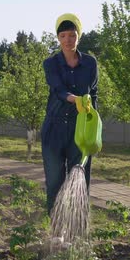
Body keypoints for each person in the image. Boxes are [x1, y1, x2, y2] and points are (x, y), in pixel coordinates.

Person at [41, 13, 98, 215]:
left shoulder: (90, 63)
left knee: (80, 179)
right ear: (58, 38)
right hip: (54, 131)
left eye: (72, 35)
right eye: (63, 35)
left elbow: (94, 94)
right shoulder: (51, 64)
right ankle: (56, 232)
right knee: (55, 182)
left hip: (79, 130)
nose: (67, 40)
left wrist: (95, 129)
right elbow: (58, 89)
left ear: (78, 36)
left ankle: (78, 230)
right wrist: (76, 99)